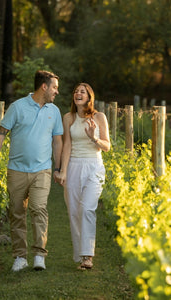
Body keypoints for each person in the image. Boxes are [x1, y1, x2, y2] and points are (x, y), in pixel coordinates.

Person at [0, 70, 63, 272]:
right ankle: (20, 257)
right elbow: (2, 133)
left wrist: (58, 168)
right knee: (17, 213)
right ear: (44, 86)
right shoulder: (18, 107)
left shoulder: (54, 111)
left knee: (39, 209)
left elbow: (57, 141)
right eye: (54, 87)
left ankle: (39, 254)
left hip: (42, 170)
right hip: (16, 170)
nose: (57, 91)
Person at [55, 83, 110, 270]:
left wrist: (93, 138)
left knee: (87, 209)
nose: (78, 93)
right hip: (73, 167)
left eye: (82, 92)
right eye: (76, 91)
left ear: (89, 97)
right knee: (74, 212)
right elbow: (67, 145)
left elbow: (107, 146)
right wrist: (62, 170)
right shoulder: (68, 117)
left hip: (94, 166)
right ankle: (80, 254)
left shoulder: (99, 117)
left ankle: (88, 256)